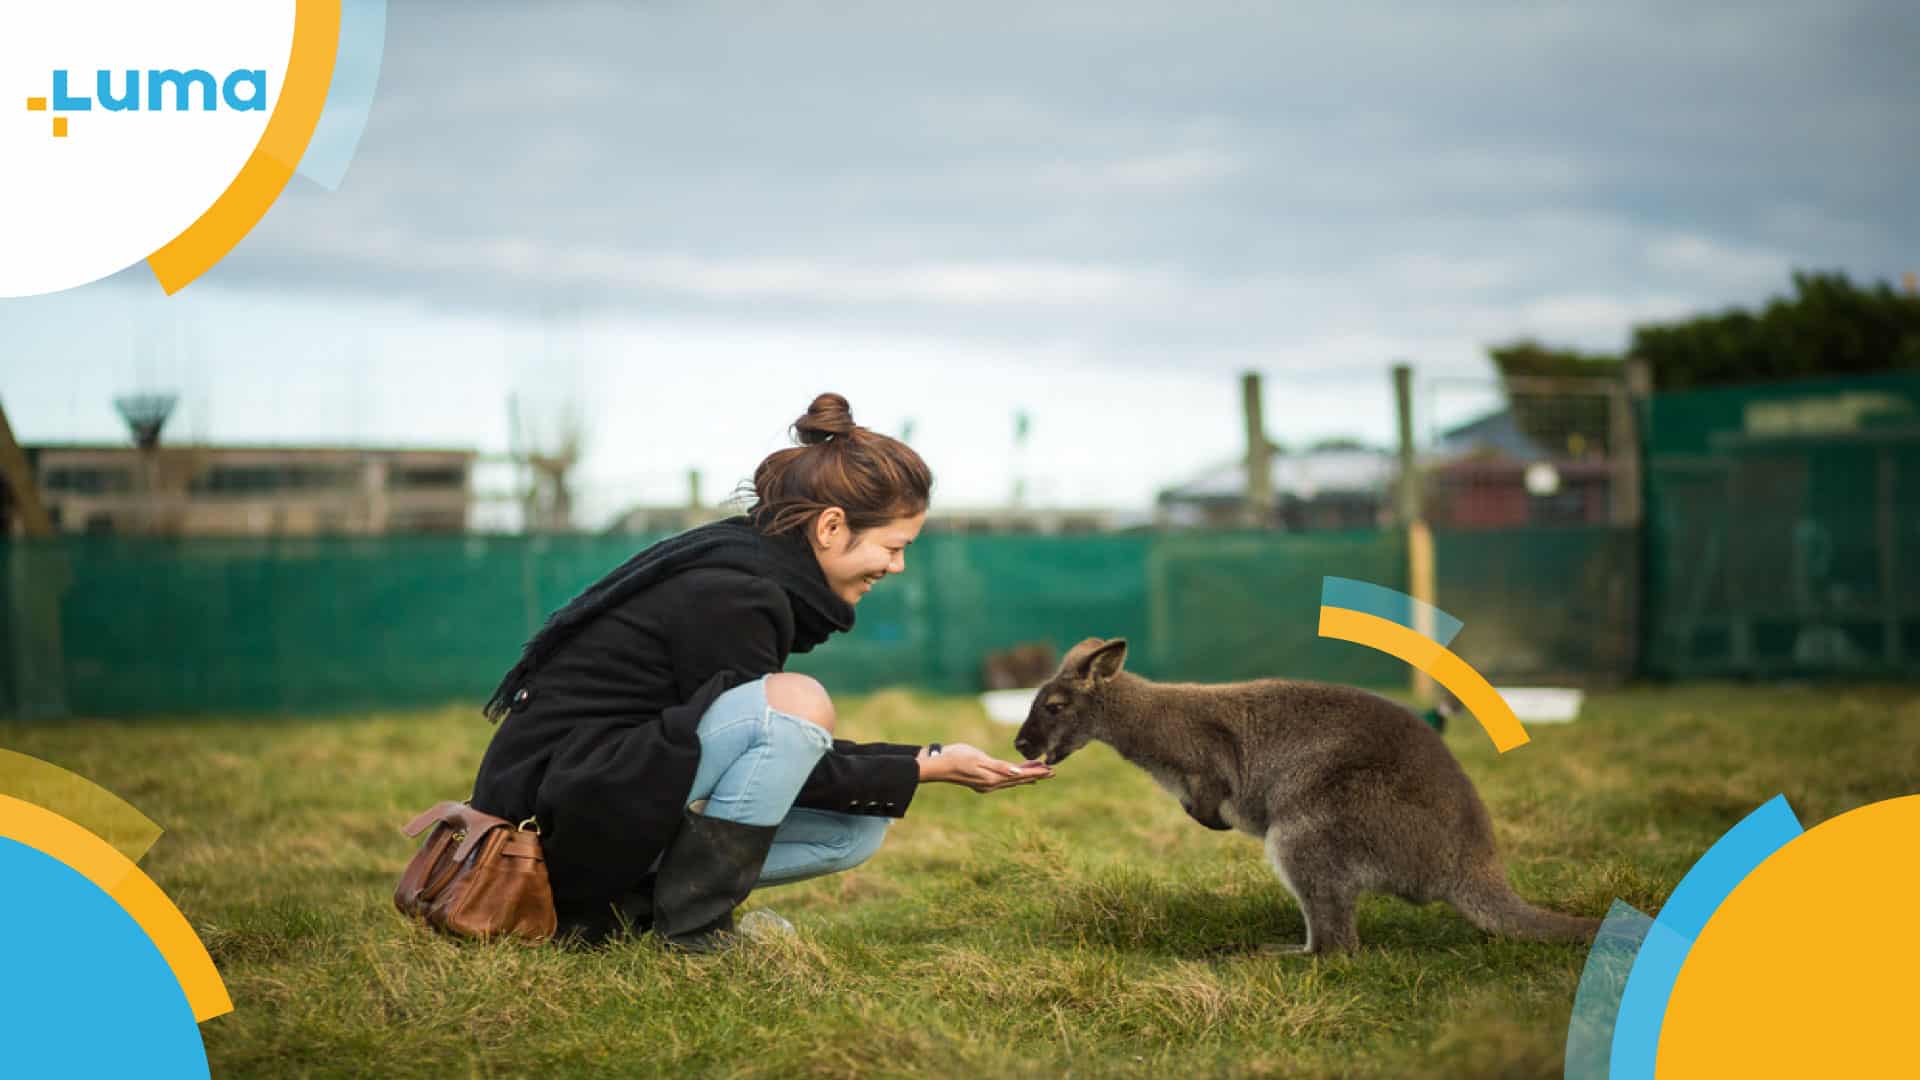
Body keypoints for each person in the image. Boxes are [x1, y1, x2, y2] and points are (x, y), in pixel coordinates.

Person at [469, 392, 1051, 950]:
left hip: (599, 790)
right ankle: (690, 933)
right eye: (893, 546)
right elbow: (791, 746)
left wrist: (921, 760)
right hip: (545, 824)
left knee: (852, 829)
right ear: (830, 527)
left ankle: (637, 910)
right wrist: (931, 765)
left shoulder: (752, 566)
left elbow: (783, 758)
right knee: (798, 702)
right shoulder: (740, 594)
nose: (897, 566)